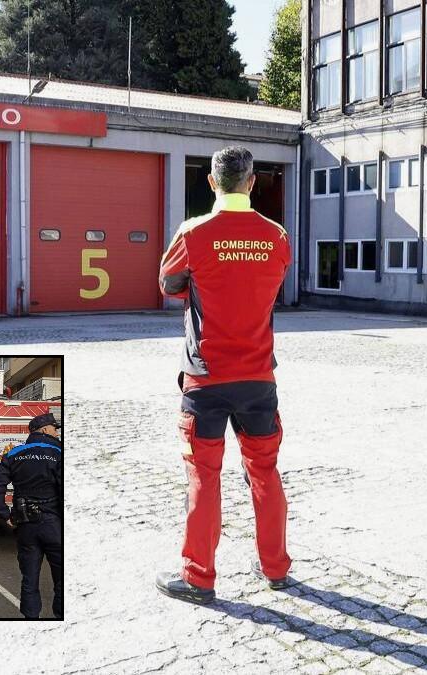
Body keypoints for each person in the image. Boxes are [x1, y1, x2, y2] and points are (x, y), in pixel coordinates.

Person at [155, 146, 295, 605]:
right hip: (259, 378)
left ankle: (199, 577)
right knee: (265, 472)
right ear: (252, 182)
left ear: (212, 183)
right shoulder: (276, 236)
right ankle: (275, 568)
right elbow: (270, 284)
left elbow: (168, 283)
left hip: (206, 379)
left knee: (204, 476)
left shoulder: (192, 233)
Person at [0, 413, 63, 619]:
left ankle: (31, 620)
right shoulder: (58, 452)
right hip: (55, 525)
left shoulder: (14, 454)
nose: (57, 432)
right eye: (54, 428)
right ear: (45, 430)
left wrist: (4, 514)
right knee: (61, 580)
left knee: (29, 580)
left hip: (26, 525)